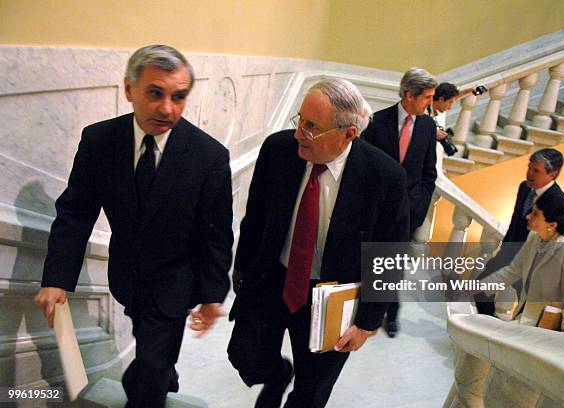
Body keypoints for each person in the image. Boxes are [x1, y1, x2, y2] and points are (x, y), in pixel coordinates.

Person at [33, 45, 234, 407]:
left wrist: (212, 294)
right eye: (155, 93)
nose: (168, 108)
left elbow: (216, 234)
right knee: (151, 348)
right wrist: (56, 279)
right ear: (129, 90)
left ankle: (153, 376)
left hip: (176, 279)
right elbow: (76, 212)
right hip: (127, 276)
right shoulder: (99, 141)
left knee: (148, 378)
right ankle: (158, 368)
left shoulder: (209, 156)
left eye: (179, 96)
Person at [227, 78, 410, 408]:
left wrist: (367, 323)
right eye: (300, 120)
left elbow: (390, 255)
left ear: (348, 133)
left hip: (333, 296)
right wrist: (242, 268)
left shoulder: (385, 177)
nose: (299, 133)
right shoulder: (278, 150)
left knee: (311, 392)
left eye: (312, 127)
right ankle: (278, 375)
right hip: (273, 279)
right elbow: (254, 216)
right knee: (245, 356)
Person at [361, 67, 438, 337]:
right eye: (426, 97)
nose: (430, 103)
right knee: (369, 261)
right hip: (374, 211)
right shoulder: (375, 122)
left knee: (394, 267)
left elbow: (430, 172)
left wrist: (419, 206)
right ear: (408, 95)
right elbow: (361, 168)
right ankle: (363, 314)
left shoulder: (428, 126)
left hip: (407, 213)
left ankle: (390, 315)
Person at [475, 190, 564, 334]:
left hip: (546, 332)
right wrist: (476, 287)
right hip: (523, 320)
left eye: (535, 214)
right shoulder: (534, 238)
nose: (528, 216)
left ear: (552, 225)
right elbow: (512, 271)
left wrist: (563, 344)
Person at [475, 148, 564, 316]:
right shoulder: (524, 188)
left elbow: (557, 240)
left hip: (534, 265)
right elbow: (515, 221)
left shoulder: (558, 201)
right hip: (509, 254)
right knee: (480, 288)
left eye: (536, 170)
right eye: (529, 168)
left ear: (552, 175)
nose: (529, 173)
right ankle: (486, 324)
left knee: (528, 312)